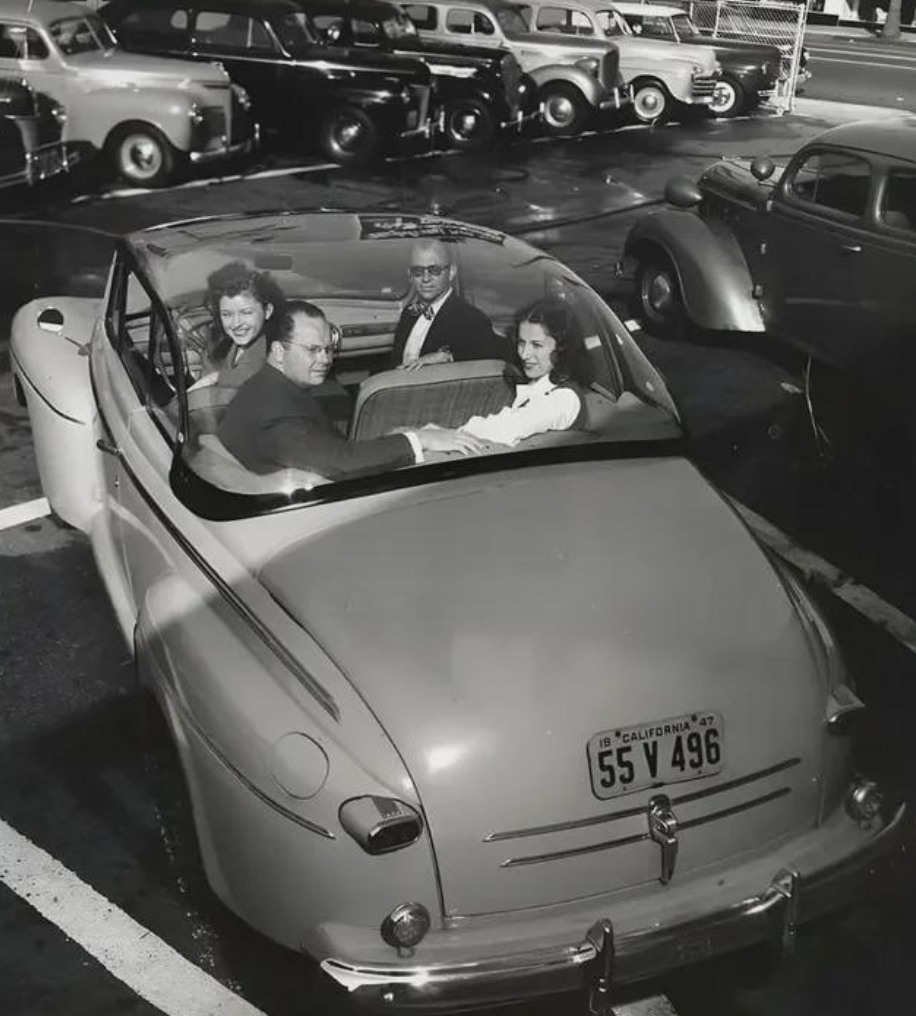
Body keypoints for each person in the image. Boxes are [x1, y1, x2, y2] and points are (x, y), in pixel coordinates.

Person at [218, 300, 485, 481]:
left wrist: (402, 435)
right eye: (313, 350)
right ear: (278, 351)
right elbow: (341, 462)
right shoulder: (274, 412)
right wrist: (419, 440)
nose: (325, 359)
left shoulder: (270, 389)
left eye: (328, 349)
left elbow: (327, 447)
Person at [457, 299, 596, 447]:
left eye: (537, 345)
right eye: (522, 343)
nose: (524, 354)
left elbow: (508, 428)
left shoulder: (564, 399)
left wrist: (444, 436)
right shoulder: (539, 384)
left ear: (562, 347)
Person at [390, 239, 501, 370]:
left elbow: (492, 359)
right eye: (418, 271)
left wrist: (449, 357)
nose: (426, 279)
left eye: (434, 270)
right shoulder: (409, 314)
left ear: (452, 272)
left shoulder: (472, 318)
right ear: (410, 275)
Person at [194, 260, 284, 390]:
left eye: (246, 312)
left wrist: (217, 378)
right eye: (226, 314)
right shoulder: (215, 351)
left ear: (267, 311)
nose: (236, 323)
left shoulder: (279, 351)